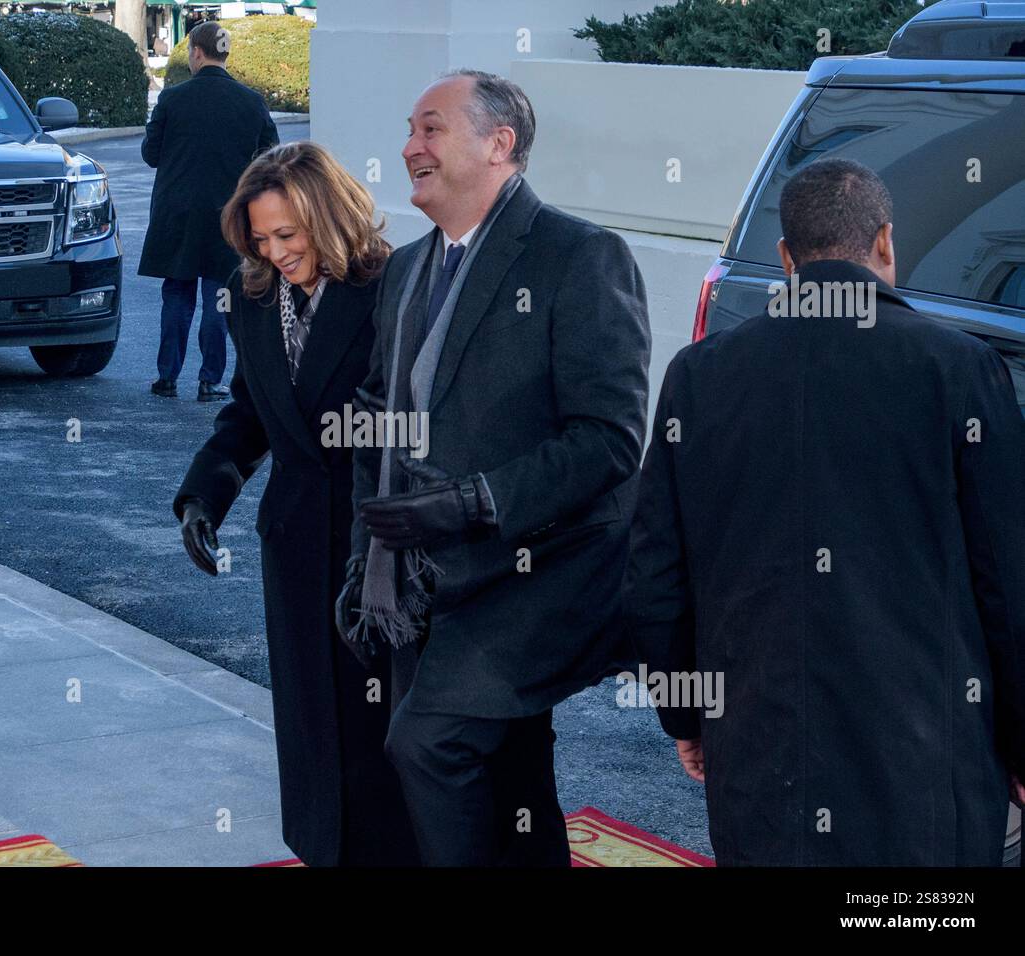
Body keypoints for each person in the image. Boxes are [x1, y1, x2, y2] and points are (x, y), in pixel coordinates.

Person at [626, 158, 1025, 865]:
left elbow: (656, 573)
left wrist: (687, 714)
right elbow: (1009, 580)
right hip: (924, 771)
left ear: (785, 258)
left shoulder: (699, 376)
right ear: (885, 244)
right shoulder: (959, 368)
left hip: (759, 749)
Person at [338, 70, 651, 866]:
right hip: (424, 576)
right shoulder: (405, 271)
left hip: (541, 569)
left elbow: (610, 439)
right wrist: (362, 559)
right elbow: (376, 428)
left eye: (432, 128)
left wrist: (473, 503)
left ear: (499, 143)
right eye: (410, 128)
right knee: (509, 772)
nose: (410, 146)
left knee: (428, 745)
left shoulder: (581, 256)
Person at [172, 141, 419, 866]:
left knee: (381, 733)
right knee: (310, 728)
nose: (274, 252)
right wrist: (204, 496)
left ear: (329, 216)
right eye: (261, 238)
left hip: (378, 549)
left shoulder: (393, 285)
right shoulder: (250, 295)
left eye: (288, 234)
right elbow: (250, 413)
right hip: (294, 545)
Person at [139, 21, 278, 401]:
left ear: (197, 53)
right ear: (225, 54)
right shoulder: (251, 102)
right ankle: (209, 380)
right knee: (220, 296)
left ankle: (167, 377)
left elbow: (151, 155)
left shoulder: (172, 99)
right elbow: (269, 159)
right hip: (228, 215)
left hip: (177, 214)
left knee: (177, 294)